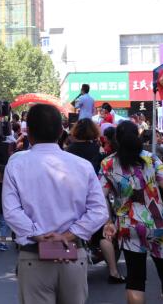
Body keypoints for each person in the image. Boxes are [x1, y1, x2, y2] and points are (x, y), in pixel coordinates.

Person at [3, 104, 108, 304]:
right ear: (61, 132)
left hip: (33, 256)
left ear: (28, 132)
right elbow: (99, 211)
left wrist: (39, 235)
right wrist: (67, 235)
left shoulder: (16, 164)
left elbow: (11, 211)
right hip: (73, 254)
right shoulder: (83, 166)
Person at [99, 120, 163, 304]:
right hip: (160, 224)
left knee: (135, 280)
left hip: (128, 226)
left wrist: (108, 221)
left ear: (117, 139)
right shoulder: (151, 159)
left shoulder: (108, 163)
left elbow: (100, 195)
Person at [65, 118, 124, 284]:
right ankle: (113, 272)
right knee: (103, 233)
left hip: (72, 197)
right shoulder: (98, 149)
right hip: (95, 195)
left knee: (70, 233)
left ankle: (70, 273)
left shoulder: (68, 151)